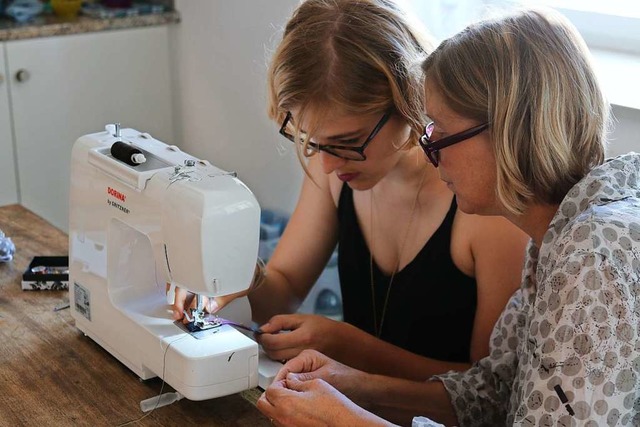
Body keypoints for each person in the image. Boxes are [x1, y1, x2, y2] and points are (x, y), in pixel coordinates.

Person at [255, 7, 640, 427]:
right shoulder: (551, 237)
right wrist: (351, 384)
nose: (428, 147)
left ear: (512, 130)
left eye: (440, 129)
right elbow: (491, 393)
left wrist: (344, 420)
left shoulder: (591, 260)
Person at [173, 0, 528, 381]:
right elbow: (284, 288)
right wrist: (235, 277)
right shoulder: (334, 167)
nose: (327, 164)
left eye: (349, 141)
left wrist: (346, 346)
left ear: (410, 101)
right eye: (312, 140)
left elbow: (489, 389)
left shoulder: (487, 209)